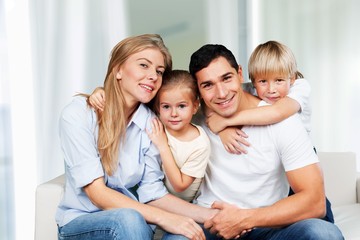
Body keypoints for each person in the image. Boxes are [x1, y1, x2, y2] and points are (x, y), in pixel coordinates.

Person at [55, 34, 213, 240]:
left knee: (189, 234)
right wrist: (165, 218)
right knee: (127, 219)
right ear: (118, 69)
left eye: (159, 71)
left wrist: (212, 216)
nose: (153, 76)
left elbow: (152, 193)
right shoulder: (78, 115)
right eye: (143, 65)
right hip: (82, 223)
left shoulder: (151, 123)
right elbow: (97, 194)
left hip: (136, 225)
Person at [187, 43, 343, 239]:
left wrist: (243, 219)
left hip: (264, 227)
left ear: (240, 74)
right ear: (198, 91)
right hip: (209, 226)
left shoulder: (283, 116)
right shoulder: (188, 117)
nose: (221, 93)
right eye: (207, 85)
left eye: (226, 78)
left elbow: (315, 201)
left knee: (323, 233)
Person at [90, 70, 211, 203]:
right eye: (166, 107)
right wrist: (99, 91)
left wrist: (163, 145)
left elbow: (179, 185)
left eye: (181, 106)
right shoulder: (155, 121)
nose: (173, 113)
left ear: (195, 106)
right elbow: (126, 99)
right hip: (146, 195)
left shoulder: (200, 143)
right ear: (158, 107)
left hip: (177, 203)